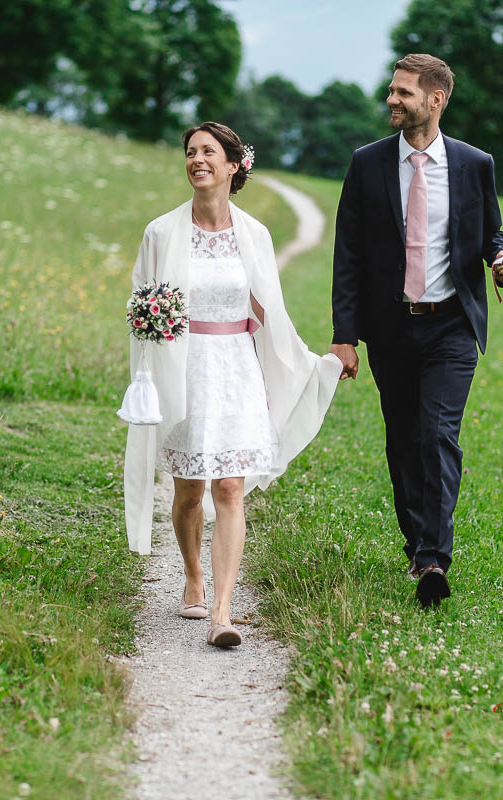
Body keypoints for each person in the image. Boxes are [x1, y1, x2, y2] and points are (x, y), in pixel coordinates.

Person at [123, 122, 342, 647]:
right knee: (188, 491)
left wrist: (318, 361)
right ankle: (193, 577)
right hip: (185, 365)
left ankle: (223, 611)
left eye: (208, 152)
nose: (197, 160)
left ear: (233, 165)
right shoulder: (161, 232)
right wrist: (148, 329)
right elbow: (140, 303)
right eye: (190, 152)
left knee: (229, 487)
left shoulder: (256, 235)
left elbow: (272, 311)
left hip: (237, 368)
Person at [329, 54, 503, 608]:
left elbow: (493, 233)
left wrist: (502, 260)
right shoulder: (366, 164)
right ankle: (417, 543)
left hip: (451, 327)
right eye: (392, 91)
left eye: (404, 93)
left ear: (435, 100)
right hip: (391, 327)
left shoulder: (473, 164)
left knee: (438, 435)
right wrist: (346, 336)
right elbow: (348, 256)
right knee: (403, 441)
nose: (392, 99)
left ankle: (435, 558)